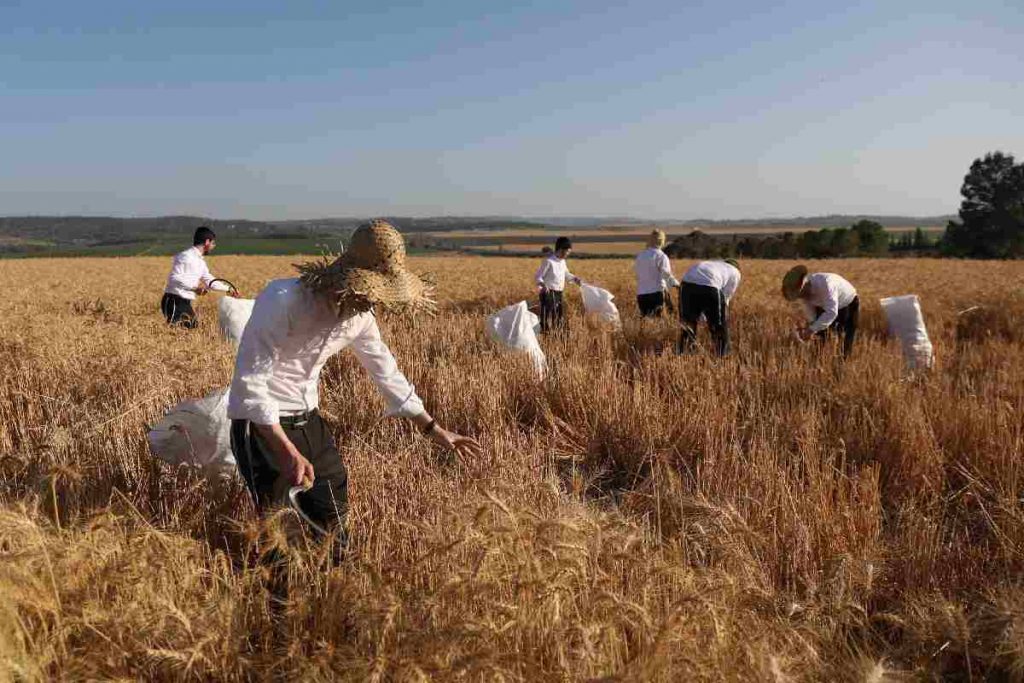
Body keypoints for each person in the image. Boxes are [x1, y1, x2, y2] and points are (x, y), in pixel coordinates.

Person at [227, 219, 481, 563]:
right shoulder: (283, 299)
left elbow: (385, 370)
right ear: (350, 279)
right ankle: (276, 608)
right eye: (372, 291)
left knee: (334, 521)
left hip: (310, 422)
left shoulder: (360, 316)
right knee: (278, 531)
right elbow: (251, 382)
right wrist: (284, 449)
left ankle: (332, 598)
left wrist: (432, 428)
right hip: (261, 429)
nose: (374, 301)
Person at [161, 226, 234, 327]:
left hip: (184, 302)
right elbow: (174, 278)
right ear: (207, 242)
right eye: (213, 243)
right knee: (183, 332)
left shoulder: (200, 261)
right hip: (174, 300)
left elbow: (209, 280)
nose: (214, 246)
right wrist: (195, 288)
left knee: (192, 330)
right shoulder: (186, 256)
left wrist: (229, 289)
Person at [782, 265, 859, 358]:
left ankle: (842, 363)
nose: (801, 297)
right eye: (798, 296)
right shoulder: (804, 294)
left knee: (843, 338)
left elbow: (831, 312)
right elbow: (811, 313)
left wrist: (811, 329)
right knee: (820, 337)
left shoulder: (826, 285)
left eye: (801, 294)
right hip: (824, 304)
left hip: (847, 303)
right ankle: (818, 360)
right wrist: (811, 328)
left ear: (805, 285)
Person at [678, 258, 741, 356]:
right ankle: (722, 354)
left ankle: (684, 352)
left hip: (686, 285)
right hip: (710, 286)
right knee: (718, 325)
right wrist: (719, 314)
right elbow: (726, 297)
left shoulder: (715, 264)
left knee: (688, 323)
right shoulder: (735, 272)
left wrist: (702, 312)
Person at [534, 236, 581, 332]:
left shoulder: (563, 262)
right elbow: (538, 276)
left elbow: (566, 274)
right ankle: (545, 337)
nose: (568, 254)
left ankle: (556, 338)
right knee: (545, 319)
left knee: (558, 318)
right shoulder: (548, 262)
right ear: (560, 249)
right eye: (567, 251)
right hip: (548, 293)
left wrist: (575, 279)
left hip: (559, 293)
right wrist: (543, 285)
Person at [633, 229, 679, 317]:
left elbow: (638, 273)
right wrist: (676, 284)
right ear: (662, 241)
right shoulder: (661, 256)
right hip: (656, 293)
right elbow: (666, 274)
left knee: (646, 321)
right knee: (658, 321)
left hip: (641, 294)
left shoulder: (640, 256)